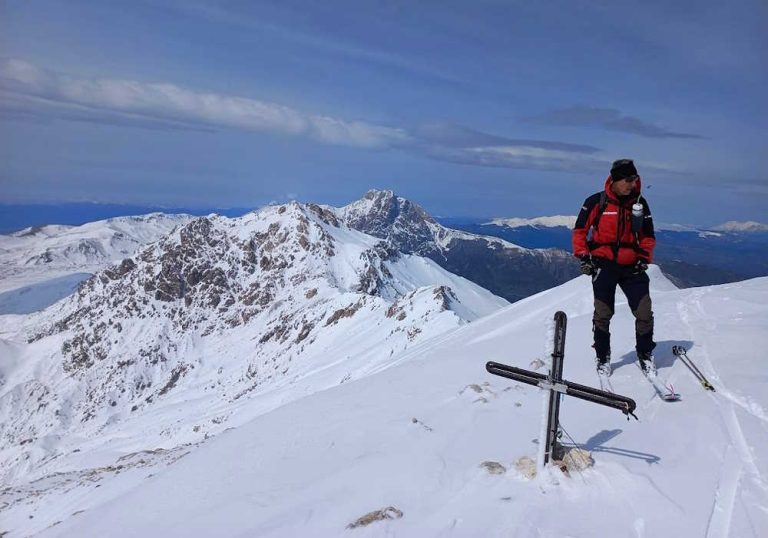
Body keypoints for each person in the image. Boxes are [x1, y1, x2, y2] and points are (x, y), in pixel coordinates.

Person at [572, 159, 657, 377]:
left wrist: (643, 258)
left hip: (632, 265)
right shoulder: (596, 202)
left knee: (644, 312)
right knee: (603, 314)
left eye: (634, 179)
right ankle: (602, 357)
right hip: (604, 264)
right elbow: (580, 231)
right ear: (616, 180)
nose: (632, 184)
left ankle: (645, 355)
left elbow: (648, 235)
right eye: (628, 180)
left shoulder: (639, 204)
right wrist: (584, 256)